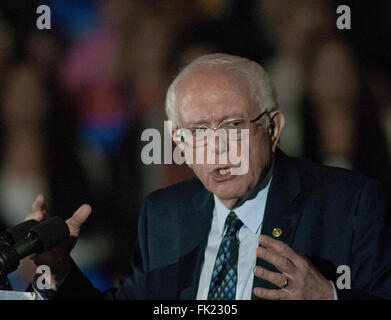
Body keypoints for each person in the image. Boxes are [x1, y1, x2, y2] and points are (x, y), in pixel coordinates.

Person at [25, 53, 391, 300]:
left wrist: (329, 297)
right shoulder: (164, 214)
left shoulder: (351, 204)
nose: (218, 148)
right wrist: (59, 271)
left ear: (273, 128)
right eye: (198, 132)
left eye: (232, 125)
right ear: (178, 145)